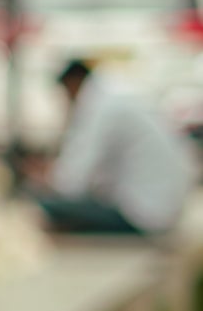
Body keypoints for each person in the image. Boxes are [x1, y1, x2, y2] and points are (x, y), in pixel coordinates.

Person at [32, 58, 193, 236]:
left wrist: (45, 177)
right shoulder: (118, 96)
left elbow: (71, 183)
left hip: (142, 216)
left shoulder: (101, 107)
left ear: (72, 83)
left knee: (43, 206)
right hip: (163, 210)